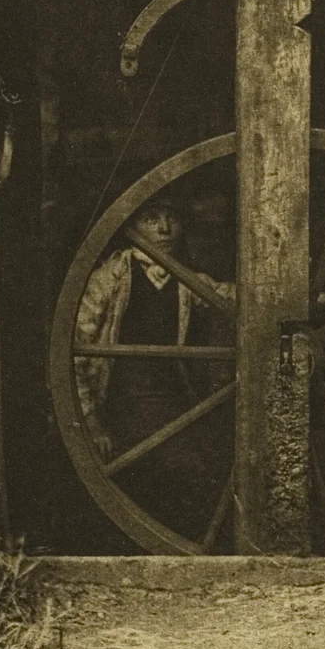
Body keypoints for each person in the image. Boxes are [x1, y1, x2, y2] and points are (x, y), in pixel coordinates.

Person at [73, 195, 234, 531]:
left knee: (209, 461)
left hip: (172, 398)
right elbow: (78, 352)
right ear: (132, 225)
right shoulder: (111, 277)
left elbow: (228, 296)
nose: (164, 229)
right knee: (179, 469)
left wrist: (311, 300)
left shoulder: (183, 280)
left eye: (170, 218)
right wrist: (92, 422)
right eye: (151, 219)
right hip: (124, 401)